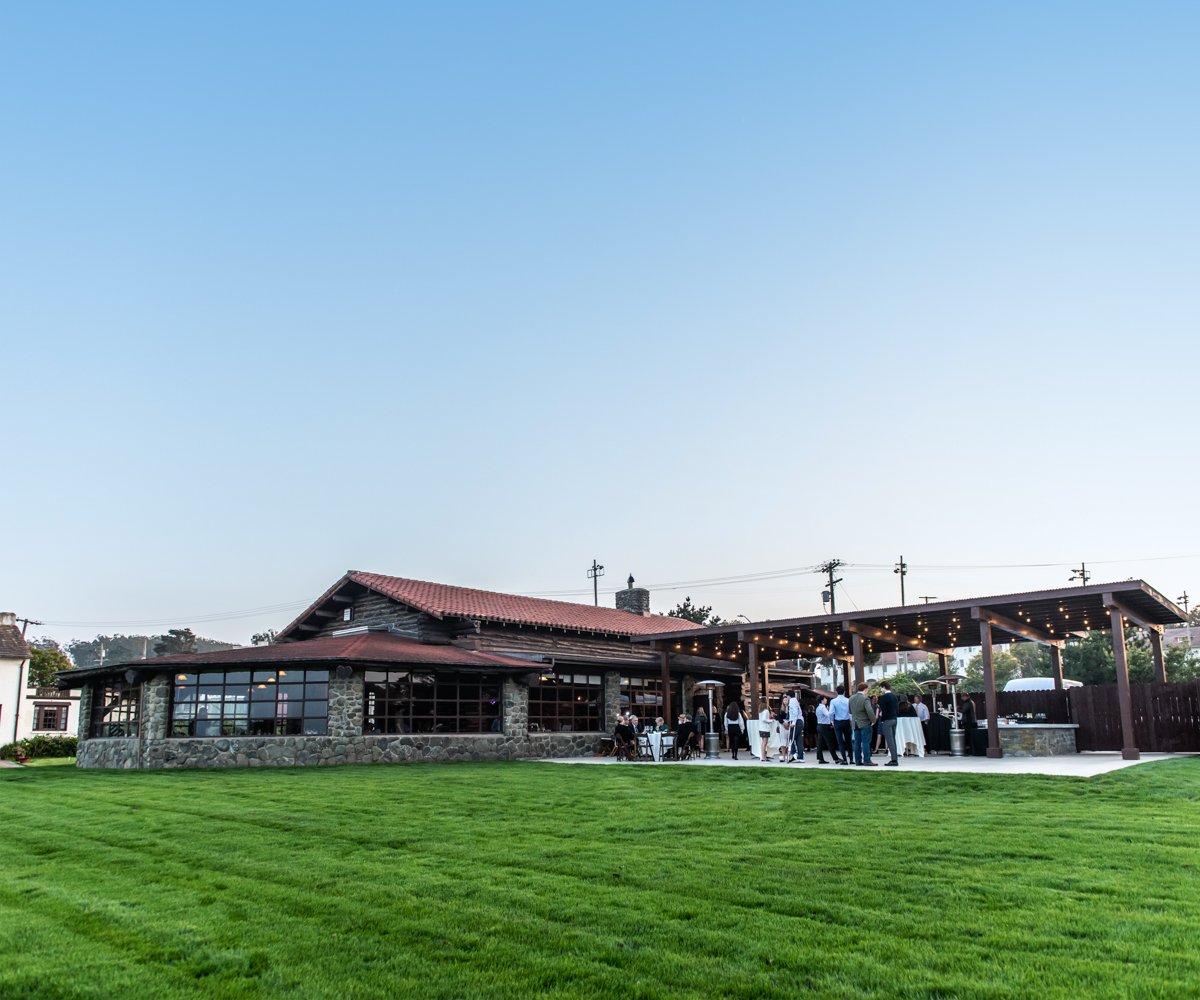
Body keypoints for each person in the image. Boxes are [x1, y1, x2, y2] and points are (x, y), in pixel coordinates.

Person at [848, 681, 877, 766]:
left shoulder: (851, 698)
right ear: (865, 689)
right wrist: (873, 720)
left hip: (855, 723)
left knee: (857, 742)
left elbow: (849, 710)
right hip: (864, 722)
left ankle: (858, 761)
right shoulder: (865, 698)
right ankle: (867, 760)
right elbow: (869, 711)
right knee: (865, 742)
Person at [877, 680, 899, 767]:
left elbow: (884, 710)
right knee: (893, 740)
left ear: (884, 687)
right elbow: (897, 709)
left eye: (881, 687)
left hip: (887, 720)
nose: (880, 689)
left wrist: (882, 719)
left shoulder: (883, 698)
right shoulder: (894, 696)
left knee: (889, 741)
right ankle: (895, 759)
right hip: (894, 719)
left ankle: (894, 760)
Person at [815, 695, 840, 764]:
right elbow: (828, 715)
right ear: (822, 700)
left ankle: (820, 758)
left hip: (819, 725)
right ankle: (836, 758)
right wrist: (831, 710)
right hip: (824, 726)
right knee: (829, 742)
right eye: (825, 699)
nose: (826, 700)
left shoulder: (818, 707)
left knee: (820, 743)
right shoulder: (823, 707)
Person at [830, 685, 852, 765]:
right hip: (846, 721)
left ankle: (844, 759)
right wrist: (851, 720)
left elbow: (831, 712)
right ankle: (851, 759)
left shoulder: (833, 701)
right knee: (849, 741)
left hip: (837, 722)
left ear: (836, 692)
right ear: (844, 692)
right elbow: (850, 712)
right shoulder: (848, 700)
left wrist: (832, 720)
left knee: (840, 742)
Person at [786, 690, 805, 762]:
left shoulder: (792, 701)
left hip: (796, 722)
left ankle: (794, 753)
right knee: (798, 739)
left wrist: (793, 722)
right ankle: (801, 757)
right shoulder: (795, 701)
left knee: (791, 737)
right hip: (799, 721)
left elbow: (795, 712)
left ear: (788, 696)